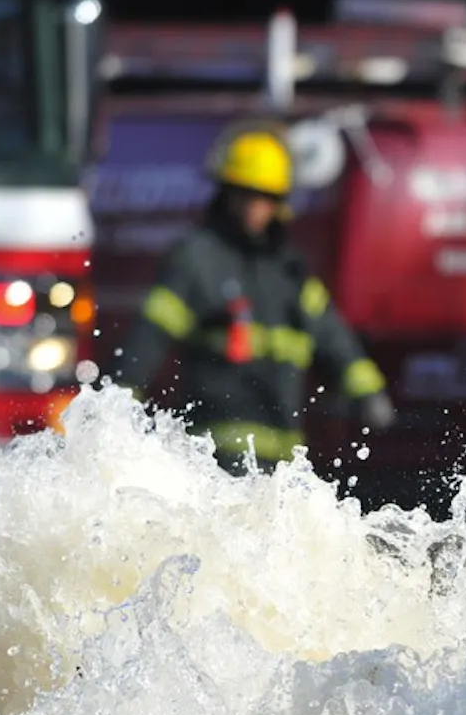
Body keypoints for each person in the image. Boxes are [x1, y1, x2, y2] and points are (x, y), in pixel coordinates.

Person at [110, 123, 396, 472]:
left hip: (284, 462)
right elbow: (148, 339)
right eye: (245, 194)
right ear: (226, 193)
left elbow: (334, 339)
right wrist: (117, 404)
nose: (253, 208)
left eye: (264, 198)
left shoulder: (290, 274)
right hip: (214, 456)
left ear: (279, 204)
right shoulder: (197, 261)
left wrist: (368, 393)